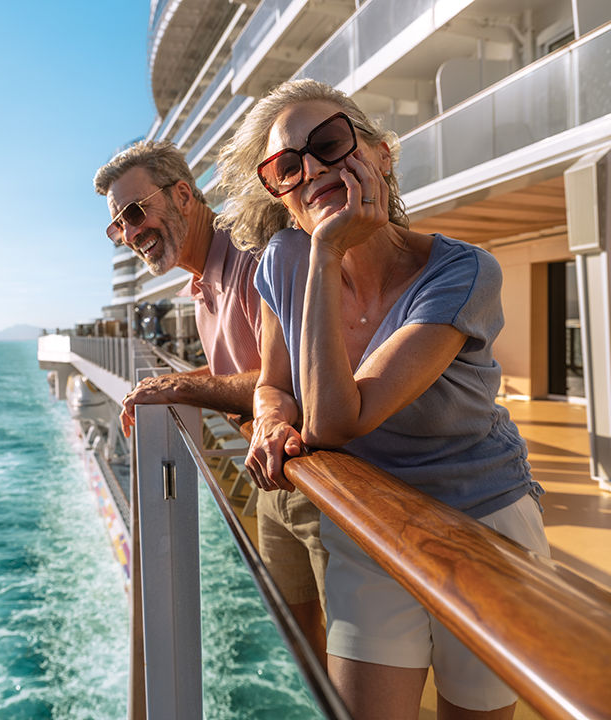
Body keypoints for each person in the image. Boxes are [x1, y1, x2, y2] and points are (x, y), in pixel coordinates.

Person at [216, 78, 550, 720]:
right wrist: (269, 418)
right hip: (366, 515)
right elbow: (274, 383)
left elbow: (340, 421)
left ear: (382, 155)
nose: (313, 168)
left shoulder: (463, 272)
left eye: (331, 142)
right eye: (287, 166)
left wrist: (326, 250)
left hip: (482, 523)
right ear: (282, 196)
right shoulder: (281, 258)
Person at [94, 140, 329, 662]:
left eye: (135, 212)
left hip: (324, 480)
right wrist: (168, 386)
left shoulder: (253, 256)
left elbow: (289, 383)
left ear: (182, 194)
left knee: (350, 659)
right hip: (269, 475)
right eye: (118, 226)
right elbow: (238, 373)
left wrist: (182, 387)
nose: (131, 234)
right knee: (298, 647)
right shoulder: (202, 284)